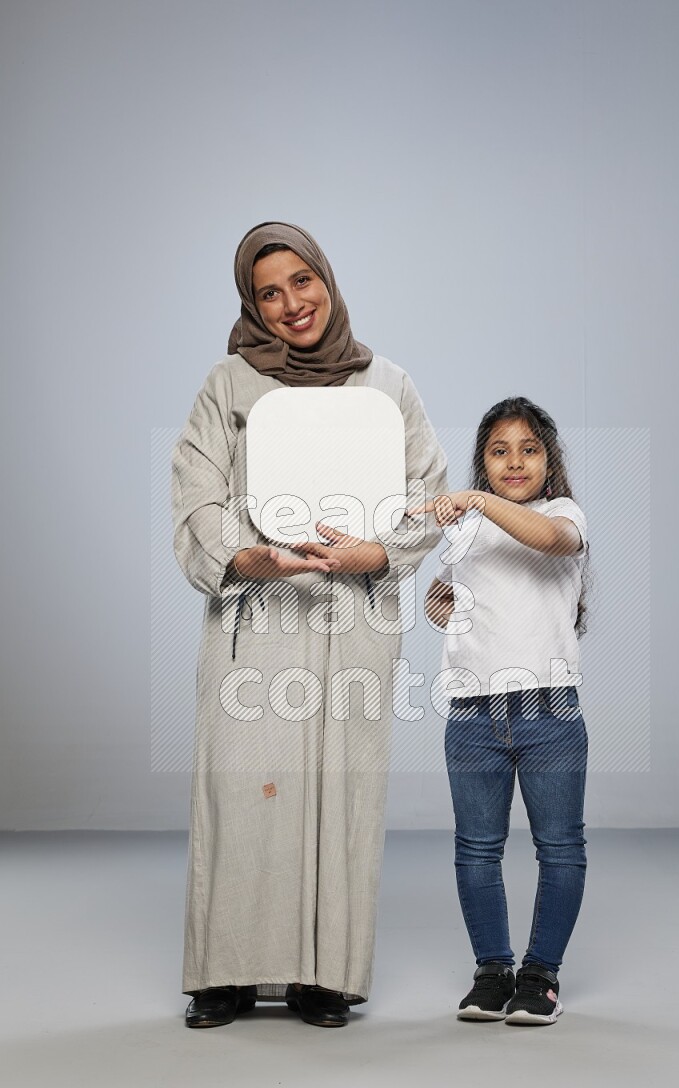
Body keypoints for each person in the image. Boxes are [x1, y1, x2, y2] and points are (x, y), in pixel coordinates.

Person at [171, 221, 448, 1029]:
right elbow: (196, 492)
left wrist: (376, 551)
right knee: (240, 789)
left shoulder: (387, 384)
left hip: (350, 616)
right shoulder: (229, 385)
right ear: (251, 304)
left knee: (343, 790)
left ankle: (325, 974)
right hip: (256, 617)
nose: (292, 303)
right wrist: (243, 558)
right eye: (269, 292)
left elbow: (426, 493)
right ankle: (224, 972)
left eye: (303, 281)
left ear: (326, 278)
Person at [420, 397, 588, 1025]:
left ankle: (540, 976)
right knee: (475, 849)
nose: (514, 461)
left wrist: (478, 501)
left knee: (560, 847)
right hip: (472, 712)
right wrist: (447, 607)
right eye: (499, 451)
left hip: (549, 711)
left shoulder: (561, 512)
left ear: (549, 460)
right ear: (483, 461)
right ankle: (493, 971)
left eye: (529, 449)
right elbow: (454, 603)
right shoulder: (464, 533)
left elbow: (549, 541)